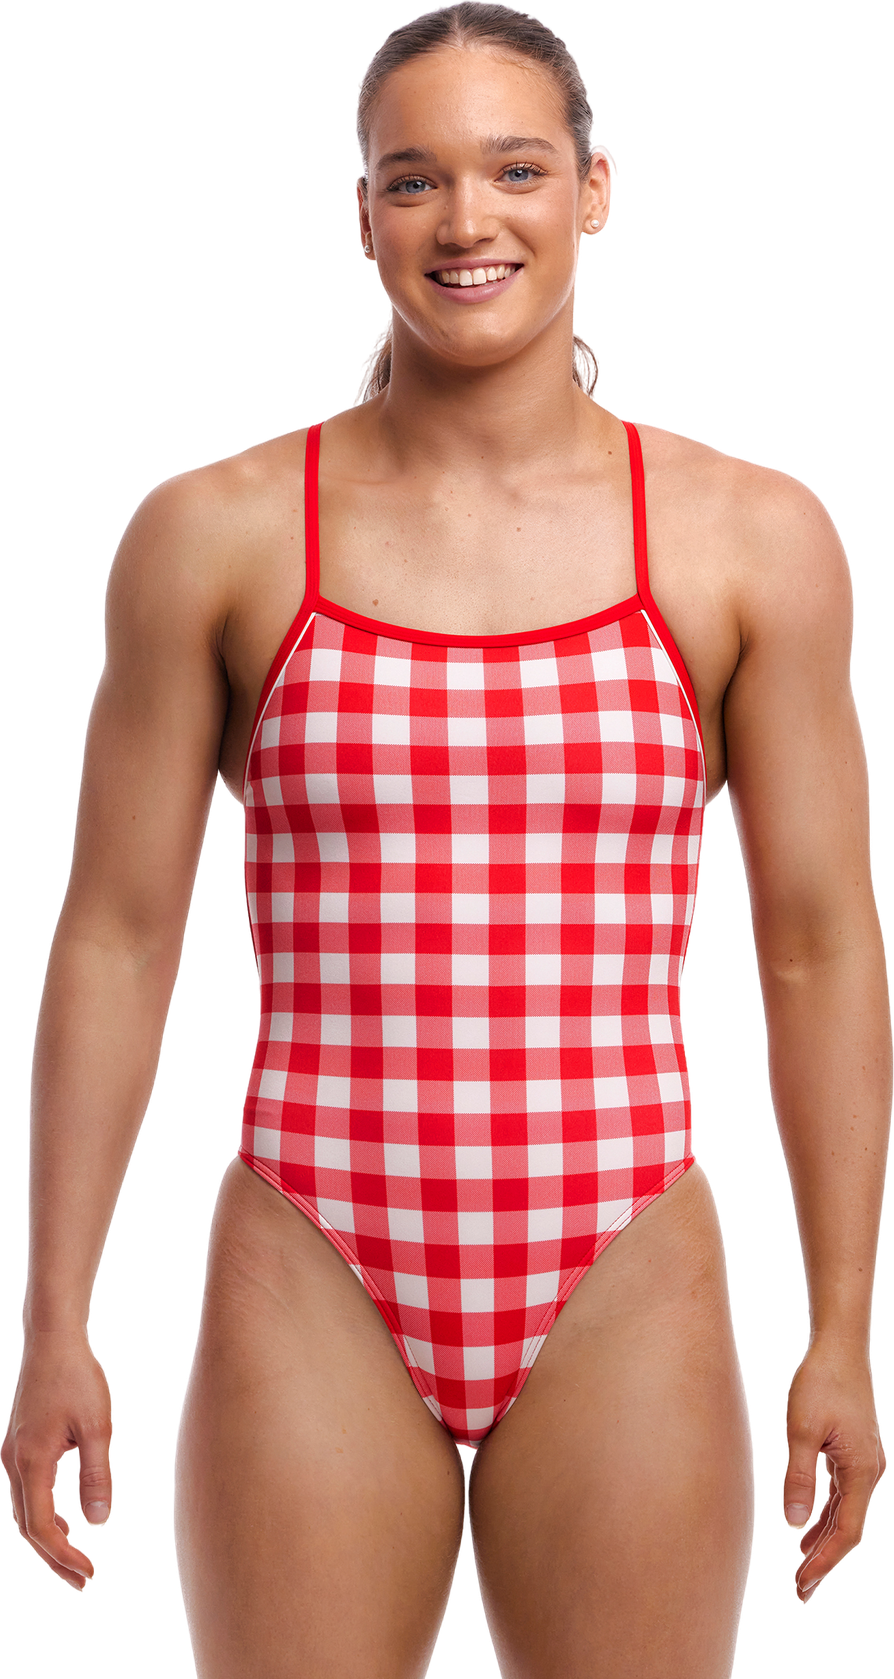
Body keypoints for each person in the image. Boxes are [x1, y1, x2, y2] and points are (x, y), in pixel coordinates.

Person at [3, 3, 889, 1673]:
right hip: (312, 1250)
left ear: (594, 191)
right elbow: (116, 935)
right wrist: (55, 1316)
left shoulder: (747, 538)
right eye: (414, 179)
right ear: (362, 215)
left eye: (515, 169)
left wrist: (837, 1328)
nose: (465, 218)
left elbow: (815, 942)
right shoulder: (215, 534)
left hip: (620, 1251)